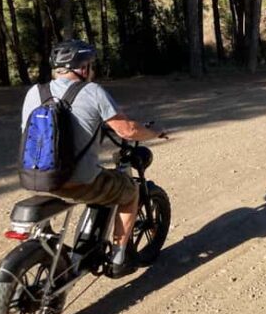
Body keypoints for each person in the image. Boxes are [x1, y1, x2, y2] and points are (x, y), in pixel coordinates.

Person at [20, 40, 167, 278]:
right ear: (82, 67)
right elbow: (127, 130)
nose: (92, 69)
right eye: (90, 64)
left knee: (100, 179)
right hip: (75, 181)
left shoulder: (34, 92)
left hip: (35, 177)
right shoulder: (92, 91)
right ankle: (119, 257)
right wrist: (156, 132)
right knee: (129, 191)